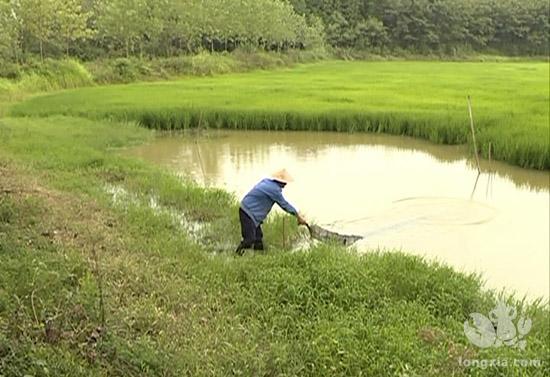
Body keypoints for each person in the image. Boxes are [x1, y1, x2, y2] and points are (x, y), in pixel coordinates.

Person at [236, 169, 307, 255]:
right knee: (249, 239)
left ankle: (259, 257)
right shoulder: (274, 190)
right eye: (284, 182)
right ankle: (237, 254)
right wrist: (297, 215)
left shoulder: (267, 182)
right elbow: (284, 204)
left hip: (251, 213)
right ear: (280, 182)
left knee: (258, 239)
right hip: (248, 212)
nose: (285, 184)